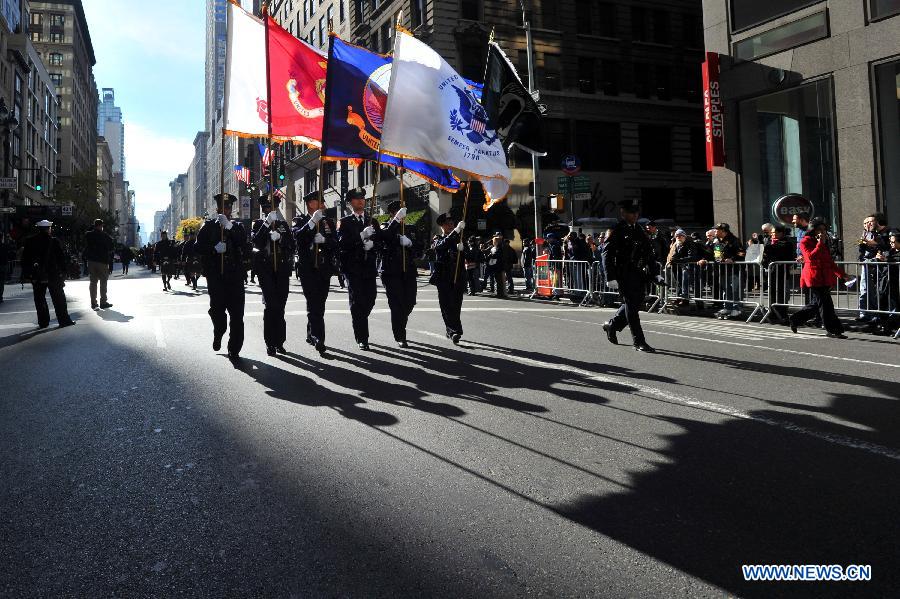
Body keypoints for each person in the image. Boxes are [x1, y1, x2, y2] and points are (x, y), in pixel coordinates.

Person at [601, 200, 663, 352]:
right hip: (622, 274)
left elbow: (649, 254)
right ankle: (639, 341)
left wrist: (655, 273)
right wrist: (610, 276)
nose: (635, 215)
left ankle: (612, 325)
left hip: (637, 273)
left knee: (637, 302)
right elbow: (606, 254)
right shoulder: (616, 230)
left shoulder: (639, 230)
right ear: (623, 213)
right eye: (631, 213)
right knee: (632, 308)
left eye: (636, 213)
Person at [196, 193, 249, 359]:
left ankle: (234, 348)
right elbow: (197, 248)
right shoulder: (209, 226)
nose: (226, 210)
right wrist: (213, 249)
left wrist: (229, 227)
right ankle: (219, 332)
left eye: (228, 207)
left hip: (235, 276)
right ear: (217, 208)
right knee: (217, 311)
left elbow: (244, 243)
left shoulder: (237, 226)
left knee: (237, 315)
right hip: (216, 276)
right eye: (223, 207)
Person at [789, 217, 849, 338]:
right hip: (814, 277)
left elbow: (829, 261)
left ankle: (795, 319)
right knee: (826, 305)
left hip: (825, 277)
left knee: (817, 304)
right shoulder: (805, 241)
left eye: (824, 229)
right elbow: (810, 257)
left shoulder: (824, 243)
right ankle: (833, 330)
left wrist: (842, 274)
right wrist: (819, 244)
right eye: (819, 229)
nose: (822, 232)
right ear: (813, 230)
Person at [337, 188, 381, 350]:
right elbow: (342, 243)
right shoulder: (345, 221)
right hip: (353, 268)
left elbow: (380, 242)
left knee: (370, 299)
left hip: (369, 267)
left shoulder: (372, 221)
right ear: (350, 203)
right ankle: (362, 337)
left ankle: (360, 319)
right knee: (357, 302)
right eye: (356, 199)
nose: (361, 201)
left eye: (362, 198)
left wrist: (373, 244)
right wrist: (360, 237)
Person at [294, 191, 337, 355]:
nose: (324, 205)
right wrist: (313, 222)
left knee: (319, 304)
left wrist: (325, 240)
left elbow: (335, 242)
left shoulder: (328, 222)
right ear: (311, 204)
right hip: (308, 269)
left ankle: (311, 333)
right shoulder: (300, 220)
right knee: (314, 304)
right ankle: (319, 338)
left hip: (323, 269)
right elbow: (298, 237)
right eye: (320, 202)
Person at [253, 196, 296, 356]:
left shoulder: (283, 224)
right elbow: (256, 242)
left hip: (282, 271)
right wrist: (265, 226)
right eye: (267, 208)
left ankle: (280, 342)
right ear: (263, 209)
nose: (271, 211)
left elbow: (292, 246)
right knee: (271, 306)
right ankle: (270, 342)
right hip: (266, 271)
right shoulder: (258, 224)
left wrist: (282, 238)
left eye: (274, 208)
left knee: (281, 306)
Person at [20, 220, 75, 328]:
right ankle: (63, 320)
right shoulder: (53, 241)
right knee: (58, 298)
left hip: (37, 275)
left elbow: (25, 259)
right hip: (53, 274)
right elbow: (61, 258)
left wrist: (27, 274)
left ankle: (43, 322)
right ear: (48, 229)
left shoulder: (30, 241)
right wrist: (64, 272)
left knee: (39, 299)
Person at [377, 201, 417, 347]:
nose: (401, 214)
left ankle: (399, 322)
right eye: (397, 212)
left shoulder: (410, 228)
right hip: (391, 272)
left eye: (402, 212)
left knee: (410, 302)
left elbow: (420, 249)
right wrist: (396, 221)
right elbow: (384, 237)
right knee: (397, 305)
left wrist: (410, 244)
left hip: (409, 271)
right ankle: (400, 335)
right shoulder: (385, 226)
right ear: (391, 214)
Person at [430, 212, 466, 344]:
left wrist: (464, 249)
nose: (451, 225)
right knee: (446, 305)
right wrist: (456, 231)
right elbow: (441, 245)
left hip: (457, 276)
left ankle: (452, 330)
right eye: (448, 224)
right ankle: (454, 331)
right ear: (442, 226)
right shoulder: (438, 238)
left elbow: (467, 256)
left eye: (452, 223)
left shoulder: (459, 238)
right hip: (443, 276)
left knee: (456, 305)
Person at [761, 224, 796, 323]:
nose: (771, 235)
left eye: (773, 233)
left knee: (781, 294)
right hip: (771, 272)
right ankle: (772, 312)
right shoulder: (771, 242)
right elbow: (766, 255)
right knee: (772, 293)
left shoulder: (786, 243)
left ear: (780, 233)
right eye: (771, 233)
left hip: (782, 272)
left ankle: (782, 314)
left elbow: (774, 249)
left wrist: (764, 246)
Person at [83, 218, 114, 309]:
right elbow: (111, 247)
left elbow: (86, 236)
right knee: (103, 282)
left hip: (91, 261)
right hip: (102, 262)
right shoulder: (105, 236)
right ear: (101, 226)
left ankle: (93, 302)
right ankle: (103, 302)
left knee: (93, 282)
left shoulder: (89, 235)